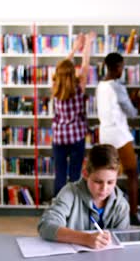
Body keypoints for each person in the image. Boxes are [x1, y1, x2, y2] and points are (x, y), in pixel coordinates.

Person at [96, 52, 140, 228]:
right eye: (122, 67)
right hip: (120, 136)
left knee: (107, 177)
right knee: (133, 174)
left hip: (105, 135)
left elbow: (116, 106)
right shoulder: (117, 87)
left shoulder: (100, 85)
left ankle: (104, 215)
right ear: (117, 67)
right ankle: (133, 215)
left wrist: (132, 98)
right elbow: (133, 113)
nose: (122, 70)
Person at [38, 144, 129, 249]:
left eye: (110, 182)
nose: (104, 189)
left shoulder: (121, 205)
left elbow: (122, 242)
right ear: (85, 174)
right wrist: (85, 238)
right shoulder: (69, 193)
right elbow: (45, 226)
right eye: (98, 181)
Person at [51, 32, 95, 195]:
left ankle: (58, 209)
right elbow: (85, 64)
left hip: (59, 137)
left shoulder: (55, 87)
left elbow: (61, 67)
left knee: (60, 175)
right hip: (76, 136)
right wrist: (88, 44)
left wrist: (74, 48)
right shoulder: (79, 87)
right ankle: (74, 208)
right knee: (75, 175)